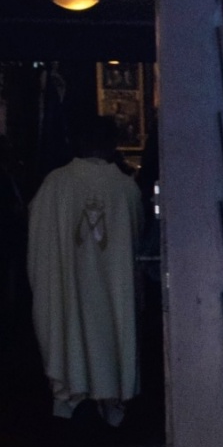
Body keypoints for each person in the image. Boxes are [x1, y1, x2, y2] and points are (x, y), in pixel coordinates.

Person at [26, 115, 142, 425]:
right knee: (113, 332)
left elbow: (37, 239)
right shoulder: (124, 188)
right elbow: (135, 235)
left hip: (67, 287)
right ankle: (112, 398)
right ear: (112, 144)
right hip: (112, 288)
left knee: (70, 330)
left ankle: (70, 391)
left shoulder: (55, 184)